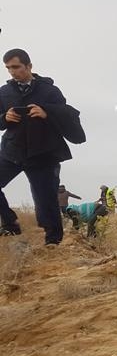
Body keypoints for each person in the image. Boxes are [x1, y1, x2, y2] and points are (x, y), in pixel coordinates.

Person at [0, 49, 85, 244]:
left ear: (29, 66)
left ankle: (53, 243)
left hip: (43, 153)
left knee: (46, 200)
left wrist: (47, 113)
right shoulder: (4, 92)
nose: (12, 72)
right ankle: (10, 223)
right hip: (12, 151)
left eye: (16, 67)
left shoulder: (49, 91)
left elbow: (66, 116)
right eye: (8, 68)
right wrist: (4, 118)